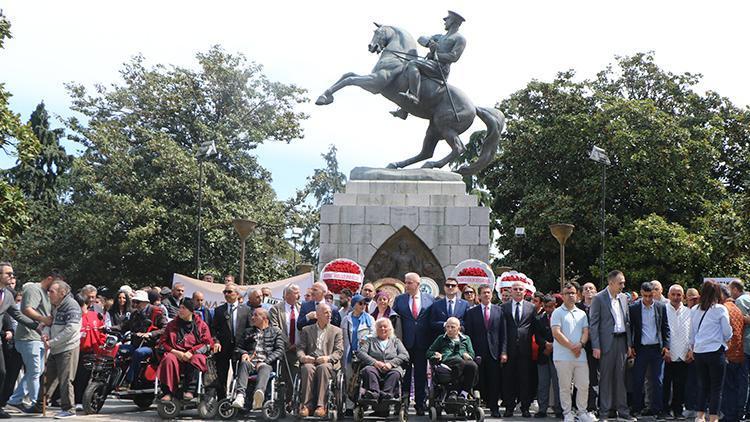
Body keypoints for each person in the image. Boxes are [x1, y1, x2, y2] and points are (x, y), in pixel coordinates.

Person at [6, 269, 58, 413]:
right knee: (35, 371)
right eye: (56, 283)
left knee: (36, 371)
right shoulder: (34, 289)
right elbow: (27, 310)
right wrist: (43, 320)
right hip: (28, 337)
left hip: (37, 337)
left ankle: (15, 400)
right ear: (49, 279)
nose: (56, 287)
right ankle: (36, 403)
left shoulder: (45, 293)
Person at [589, 270, 634, 421]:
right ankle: (604, 413)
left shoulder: (623, 298)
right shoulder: (599, 298)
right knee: (606, 378)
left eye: (623, 282)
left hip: (621, 342)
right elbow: (593, 324)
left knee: (621, 378)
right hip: (605, 343)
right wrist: (596, 346)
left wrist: (629, 344)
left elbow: (626, 322)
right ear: (611, 283)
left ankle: (623, 411)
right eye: (620, 283)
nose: (623, 285)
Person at [398, 11, 466, 107]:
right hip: (431, 64)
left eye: (447, 19)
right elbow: (421, 38)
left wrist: (435, 54)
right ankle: (404, 109)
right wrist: (429, 43)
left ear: (453, 21)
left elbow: (454, 57)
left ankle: (414, 96)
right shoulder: (440, 37)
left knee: (413, 64)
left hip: (441, 68)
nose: (445, 22)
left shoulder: (460, 39)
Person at [551, 282, 596, 422]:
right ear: (562, 296)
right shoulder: (557, 312)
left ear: (577, 295)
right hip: (562, 356)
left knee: (583, 384)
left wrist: (581, 345)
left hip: (580, 356)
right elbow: (556, 333)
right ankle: (567, 413)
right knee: (565, 387)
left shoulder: (582, 313)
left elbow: (585, 331)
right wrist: (572, 347)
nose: (570, 295)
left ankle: (582, 411)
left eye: (572, 293)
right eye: (567, 293)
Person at [689, 281, 732, 422]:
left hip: (699, 351)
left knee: (702, 385)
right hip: (715, 351)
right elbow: (727, 332)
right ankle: (713, 418)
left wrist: (693, 347)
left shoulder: (694, 309)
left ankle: (699, 416)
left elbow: (692, 333)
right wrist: (727, 338)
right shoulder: (720, 309)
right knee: (716, 388)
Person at [392, 272, 434, 415]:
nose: (406, 285)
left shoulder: (430, 299)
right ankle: (403, 402)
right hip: (405, 344)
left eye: (409, 283)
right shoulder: (400, 300)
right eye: (406, 282)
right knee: (405, 374)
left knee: (421, 375)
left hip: (423, 343)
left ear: (418, 284)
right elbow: (393, 320)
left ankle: (420, 404)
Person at [157, 298, 213, 401]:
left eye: (184, 308)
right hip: (176, 353)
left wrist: (191, 352)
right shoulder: (172, 324)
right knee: (168, 358)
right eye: (180, 308)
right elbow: (163, 343)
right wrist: (175, 352)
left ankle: (190, 390)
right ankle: (168, 392)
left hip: (193, 354)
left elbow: (207, 343)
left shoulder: (201, 325)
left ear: (191, 310)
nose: (180, 310)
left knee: (198, 359)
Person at [40, 280, 82, 419]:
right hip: (55, 347)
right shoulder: (55, 305)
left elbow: (71, 329)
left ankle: (69, 410)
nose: (49, 294)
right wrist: (46, 333)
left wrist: (52, 342)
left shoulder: (72, 305)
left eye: (51, 291)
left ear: (62, 293)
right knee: (47, 377)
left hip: (67, 347)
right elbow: (50, 322)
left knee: (65, 380)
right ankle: (40, 404)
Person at [628, 281, 670, 418]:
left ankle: (657, 409)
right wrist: (631, 346)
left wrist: (666, 346)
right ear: (641, 293)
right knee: (638, 380)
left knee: (658, 380)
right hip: (641, 349)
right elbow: (631, 328)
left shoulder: (660, 307)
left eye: (650, 296)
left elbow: (665, 327)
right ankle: (636, 408)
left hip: (656, 349)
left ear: (655, 294)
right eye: (645, 296)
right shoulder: (634, 308)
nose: (648, 299)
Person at [231, 307, 285, 410]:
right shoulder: (247, 332)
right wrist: (244, 353)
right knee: (244, 364)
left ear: (265, 318)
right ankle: (240, 396)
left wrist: (265, 361)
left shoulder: (276, 332)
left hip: (266, 364)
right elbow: (238, 348)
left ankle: (259, 394)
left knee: (264, 367)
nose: (252, 317)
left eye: (256, 315)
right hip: (250, 363)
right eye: (253, 315)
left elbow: (279, 350)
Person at [464, 284, 505, 417]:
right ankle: (474, 409)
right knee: (477, 382)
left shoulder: (499, 311)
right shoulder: (471, 312)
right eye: (484, 293)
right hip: (477, 352)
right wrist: (470, 353)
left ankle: (494, 408)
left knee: (494, 380)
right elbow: (468, 335)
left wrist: (503, 352)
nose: (487, 295)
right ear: (479, 295)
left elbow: (503, 334)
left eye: (489, 292)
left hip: (494, 352)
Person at [296, 303, 344, 417]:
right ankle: (306, 405)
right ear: (317, 315)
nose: (329, 315)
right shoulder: (306, 330)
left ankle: (321, 405)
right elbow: (300, 349)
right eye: (326, 313)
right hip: (311, 361)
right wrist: (303, 357)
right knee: (307, 368)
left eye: (330, 313)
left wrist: (328, 358)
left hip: (327, 362)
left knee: (323, 367)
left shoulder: (336, 331)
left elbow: (339, 351)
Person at [500, 281, 537, 417]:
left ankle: (525, 408)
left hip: (525, 350)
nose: (518, 291)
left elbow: (534, 328)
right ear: (511, 291)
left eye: (520, 289)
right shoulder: (504, 307)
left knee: (524, 380)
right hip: (509, 350)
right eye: (515, 289)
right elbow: (502, 331)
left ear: (525, 291)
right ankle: (509, 407)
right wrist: (503, 351)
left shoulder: (531, 307)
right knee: (509, 379)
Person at [119, 289, 167, 388]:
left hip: (152, 346)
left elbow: (165, 328)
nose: (135, 304)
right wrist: (107, 328)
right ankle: (113, 378)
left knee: (138, 353)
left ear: (146, 302)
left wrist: (150, 334)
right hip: (136, 344)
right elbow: (124, 326)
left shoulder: (157, 312)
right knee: (118, 349)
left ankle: (129, 381)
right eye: (134, 302)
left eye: (138, 302)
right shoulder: (134, 314)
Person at [211, 282, 251, 400]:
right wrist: (216, 341)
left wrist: (247, 348)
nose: (226, 294)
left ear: (237, 294)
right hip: (223, 347)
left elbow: (250, 330)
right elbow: (213, 329)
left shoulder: (246, 310)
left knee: (240, 374)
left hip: (240, 347)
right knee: (221, 374)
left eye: (229, 292)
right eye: (225, 292)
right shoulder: (219, 310)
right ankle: (222, 400)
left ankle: (239, 400)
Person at [356, 318, 409, 401]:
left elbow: (405, 355)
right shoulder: (370, 341)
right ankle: (374, 393)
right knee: (368, 370)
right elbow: (361, 353)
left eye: (385, 327)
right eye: (380, 327)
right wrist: (375, 362)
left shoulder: (396, 341)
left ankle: (386, 394)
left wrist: (391, 364)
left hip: (392, 368)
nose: (383, 329)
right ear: (376, 329)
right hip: (374, 367)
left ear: (390, 329)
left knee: (395, 373)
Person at [427, 317, 477, 399]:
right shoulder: (441, 338)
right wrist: (436, 354)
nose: (449, 329)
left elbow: (472, 353)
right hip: (447, 361)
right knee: (459, 361)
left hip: (463, 361)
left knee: (473, 366)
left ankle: (464, 393)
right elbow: (429, 352)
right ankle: (454, 390)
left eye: (452, 327)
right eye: (447, 327)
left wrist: (467, 355)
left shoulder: (466, 339)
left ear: (459, 328)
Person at [341, 294, 375, 413]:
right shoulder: (346, 319)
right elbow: (342, 337)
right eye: (360, 303)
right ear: (354, 304)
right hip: (350, 354)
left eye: (365, 304)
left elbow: (374, 335)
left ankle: (362, 404)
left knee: (363, 380)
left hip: (365, 355)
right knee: (350, 380)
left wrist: (367, 338)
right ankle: (349, 406)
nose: (363, 306)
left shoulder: (369, 319)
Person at [662, 284, 691, 419]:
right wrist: (665, 349)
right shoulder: (662, 310)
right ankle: (665, 410)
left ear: (683, 297)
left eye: (678, 294)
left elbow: (692, 333)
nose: (676, 297)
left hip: (683, 354)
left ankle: (678, 410)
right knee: (665, 384)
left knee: (680, 385)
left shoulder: (689, 312)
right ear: (668, 296)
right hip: (667, 354)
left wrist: (691, 351)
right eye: (673, 294)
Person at [268, 283, 300, 398]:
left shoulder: (301, 308)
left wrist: (297, 344)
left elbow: (304, 328)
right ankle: (281, 400)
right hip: (283, 349)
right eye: (296, 293)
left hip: (297, 349)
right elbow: (275, 327)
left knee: (295, 375)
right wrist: (288, 342)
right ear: (287, 295)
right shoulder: (276, 309)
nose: (299, 295)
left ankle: (292, 400)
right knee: (283, 377)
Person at [719, 284, 745, 422]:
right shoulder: (736, 308)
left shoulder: (724, 309)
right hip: (738, 353)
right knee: (734, 386)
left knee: (727, 387)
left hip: (728, 354)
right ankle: (734, 415)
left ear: (721, 295)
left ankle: (728, 416)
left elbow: (727, 334)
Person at [535, 295, 562, 418]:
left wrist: (553, 345)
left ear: (555, 305)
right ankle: (542, 408)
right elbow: (537, 335)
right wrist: (545, 344)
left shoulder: (561, 317)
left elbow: (563, 333)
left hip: (558, 354)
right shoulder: (539, 318)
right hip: (543, 354)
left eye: (551, 306)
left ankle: (559, 408)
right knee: (543, 383)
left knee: (558, 383)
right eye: (546, 307)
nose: (548, 309)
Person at [728, 280, 750, 420]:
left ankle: (740, 409)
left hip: (745, 346)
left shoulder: (740, 301)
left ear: (735, 289)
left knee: (743, 381)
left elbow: (739, 323)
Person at [576, 282, 599, 411]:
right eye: (586, 289)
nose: (589, 290)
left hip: (596, 347)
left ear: (596, 291)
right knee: (581, 378)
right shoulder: (577, 307)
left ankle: (593, 406)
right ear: (582, 293)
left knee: (595, 378)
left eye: (591, 288)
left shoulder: (600, 306)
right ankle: (580, 406)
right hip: (580, 347)